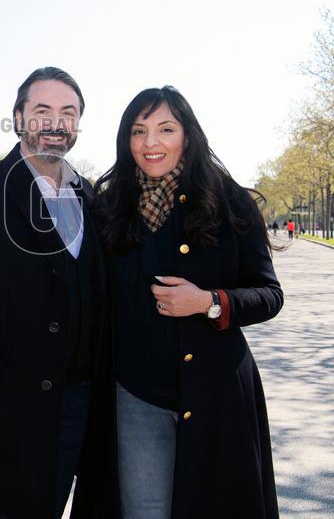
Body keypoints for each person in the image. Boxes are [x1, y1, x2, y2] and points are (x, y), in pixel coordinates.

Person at [0, 67, 115, 518]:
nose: (56, 122)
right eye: (43, 110)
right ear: (18, 118)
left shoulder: (91, 198)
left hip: (75, 407)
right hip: (2, 411)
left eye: (68, 113)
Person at [94, 86, 283, 518]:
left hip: (217, 393)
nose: (150, 143)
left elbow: (270, 295)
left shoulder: (228, 200)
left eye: (165, 129)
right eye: (138, 131)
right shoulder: (107, 208)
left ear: (188, 135)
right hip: (136, 395)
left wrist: (208, 302)